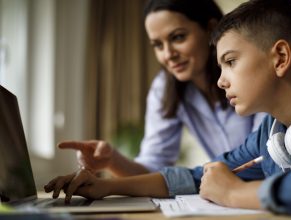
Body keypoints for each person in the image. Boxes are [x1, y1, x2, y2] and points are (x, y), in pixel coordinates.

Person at [45, 0, 291, 215]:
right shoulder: (269, 135)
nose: (222, 81)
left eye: (231, 62)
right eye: (220, 67)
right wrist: (106, 187)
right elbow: (201, 176)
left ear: (280, 58)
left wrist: (233, 193)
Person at [58, 0, 265, 177]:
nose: (168, 54)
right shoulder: (165, 88)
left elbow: (261, 158)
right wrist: (111, 160)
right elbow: (153, 164)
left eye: (178, 37)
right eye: (158, 45)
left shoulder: (249, 72)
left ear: (211, 29)